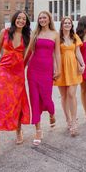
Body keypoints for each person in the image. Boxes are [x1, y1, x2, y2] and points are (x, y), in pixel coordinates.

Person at [0, 11, 31, 155]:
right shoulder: (5, 32)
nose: (21, 21)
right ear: (14, 19)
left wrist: (22, 69)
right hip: (4, 71)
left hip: (18, 74)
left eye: (23, 19)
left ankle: (18, 132)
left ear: (26, 22)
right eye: (19, 18)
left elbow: (26, 56)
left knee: (18, 102)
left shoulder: (26, 37)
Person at [24, 11, 61, 145]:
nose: (42, 20)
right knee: (34, 99)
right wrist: (22, 67)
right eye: (40, 18)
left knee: (46, 99)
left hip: (47, 70)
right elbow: (29, 51)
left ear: (49, 19)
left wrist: (59, 69)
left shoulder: (55, 34)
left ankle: (51, 113)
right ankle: (38, 130)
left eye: (44, 17)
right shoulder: (35, 33)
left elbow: (57, 54)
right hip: (33, 70)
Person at [54, 17, 85, 136]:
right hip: (61, 67)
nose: (67, 25)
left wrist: (83, 64)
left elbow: (78, 52)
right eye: (65, 23)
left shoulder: (75, 37)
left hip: (73, 67)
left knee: (71, 94)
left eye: (69, 23)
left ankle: (74, 121)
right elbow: (53, 54)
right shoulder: (57, 37)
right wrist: (55, 68)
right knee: (64, 95)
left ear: (72, 25)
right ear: (61, 25)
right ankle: (67, 119)